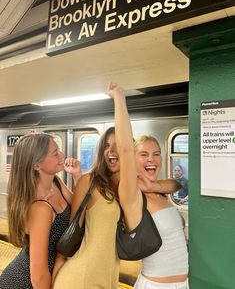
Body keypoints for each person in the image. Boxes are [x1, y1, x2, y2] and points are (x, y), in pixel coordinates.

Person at [53, 87, 181, 289]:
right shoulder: (90, 181)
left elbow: (175, 184)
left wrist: (156, 184)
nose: (112, 151)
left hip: (108, 280)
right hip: (80, 277)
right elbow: (72, 231)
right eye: (106, 146)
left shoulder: (132, 187)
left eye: (116, 145)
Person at [107, 83, 189, 289]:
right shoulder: (132, 196)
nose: (152, 159)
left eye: (156, 154)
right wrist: (119, 98)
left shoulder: (159, 193)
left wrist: (155, 185)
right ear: (132, 160)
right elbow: (124, 148)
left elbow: (179, 183)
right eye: (143, 154)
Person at [0, 133, 81, 289]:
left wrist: (77, 175)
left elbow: (79, 209)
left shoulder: (56, 183)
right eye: (55, 153)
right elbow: (38, 275)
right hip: (24, 283)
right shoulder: (40, 209)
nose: (62, 155)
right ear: (37, 165)